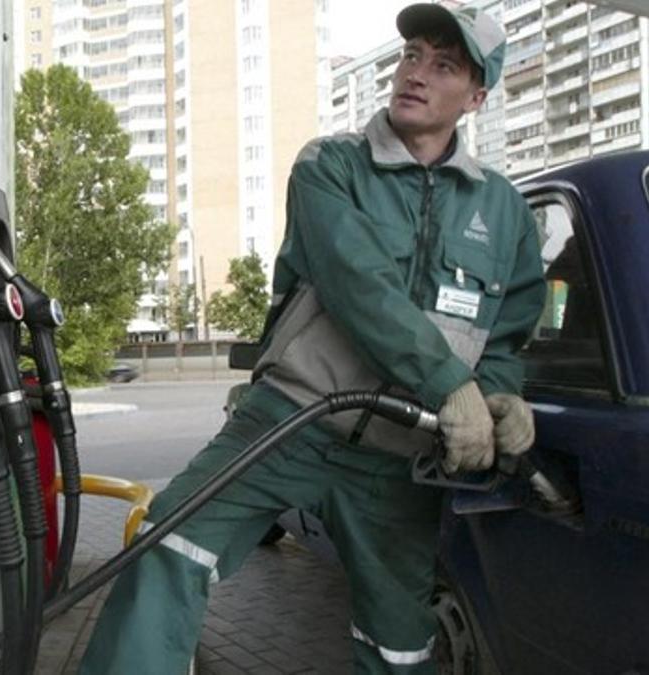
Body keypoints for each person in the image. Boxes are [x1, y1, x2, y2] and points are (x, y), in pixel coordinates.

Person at [80, 4, 546, 673]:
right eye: (412, 53)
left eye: (443, 65)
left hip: (399, 457)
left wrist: (500, 396)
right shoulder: (331, 166)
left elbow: (506, 332)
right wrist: (452, 384)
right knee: (168, 542)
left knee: (401, 642)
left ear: (475, 97)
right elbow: (361, 285)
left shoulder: (504, 213)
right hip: (290, 418)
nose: (415, 72)